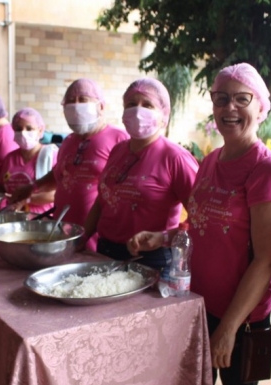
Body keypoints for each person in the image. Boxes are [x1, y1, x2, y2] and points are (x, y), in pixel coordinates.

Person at [127, 63, 271, 385]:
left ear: (261, 108)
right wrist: (163, 237)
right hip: (199, 301)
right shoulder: (212, 161)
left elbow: (267, 259)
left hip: (242, 314)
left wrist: (229, 328)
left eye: (241, 99)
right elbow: (201, 225)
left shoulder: (266, 170)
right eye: (221, 99)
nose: (229, 108)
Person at [83, 78, 198, 270]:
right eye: (131, 104)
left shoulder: (176, 157)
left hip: (150, 259)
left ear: (164, 115)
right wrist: (83, 237)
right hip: (104, 251)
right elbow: (102, 201)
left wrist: (164, 237)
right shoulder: (118, 150)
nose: (138, 111)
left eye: (147, 105)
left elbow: (200, 218)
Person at [10, 78, 129, 250]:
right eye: (70, 101)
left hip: (96, 240)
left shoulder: (119, 140)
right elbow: (61, 173)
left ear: (101, 107)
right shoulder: (68, 141)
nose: (76, 105)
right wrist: (33, 187)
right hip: (61, 232)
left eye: (83, 100)